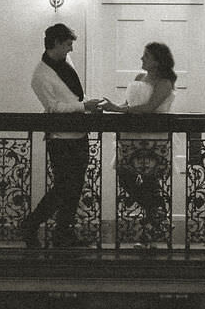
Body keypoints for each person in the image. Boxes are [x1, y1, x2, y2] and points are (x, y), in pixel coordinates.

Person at [23, 23, 104, 248]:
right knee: (62, 188)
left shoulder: (65, 63)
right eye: (68, 44)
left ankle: (63, 233)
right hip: (60, 139)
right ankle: (31, 224)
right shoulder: (40, 76)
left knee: (74, 188)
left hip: (78, 135)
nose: (70, 49)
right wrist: (83, 107)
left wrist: (87, 104)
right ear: (56, 43)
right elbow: (53, 107)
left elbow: (73, 95)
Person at [105, 42, 176, 247]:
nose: (141, 59)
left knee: (150, 183)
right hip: (131, 137)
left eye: (146, 56)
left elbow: (150, 107)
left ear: (157, 60)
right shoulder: (139, 78)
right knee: (125, 176)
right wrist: (110, 107)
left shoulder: (165, 82)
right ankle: (157, 215)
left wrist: (118, 111)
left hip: (153, 139)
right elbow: (128, 104)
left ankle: (151, 231)